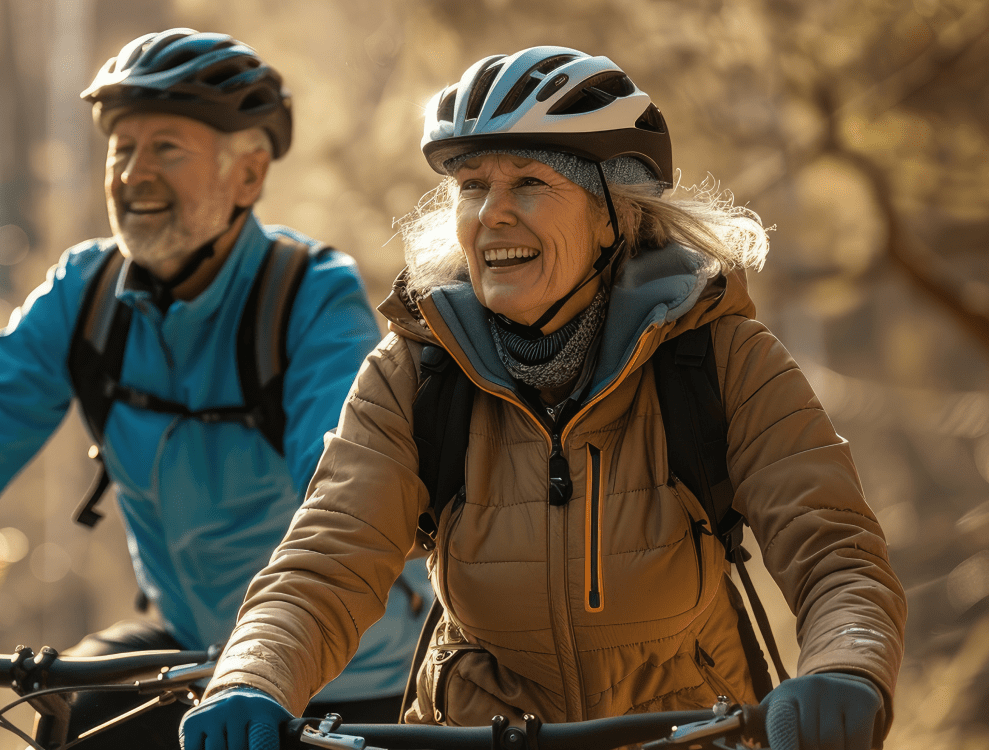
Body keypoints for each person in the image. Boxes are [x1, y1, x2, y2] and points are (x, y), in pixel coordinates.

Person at [179, 46, 906, 750]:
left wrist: (844, 666)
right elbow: (325, 564)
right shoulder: (417, 370)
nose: (492, 214)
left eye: (529, 182)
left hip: (684, 731)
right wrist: (252, 678)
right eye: (472, 187)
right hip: (475, 734)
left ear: (613, 214)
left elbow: (834, 552)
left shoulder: (718, 356)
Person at [0, 29, 430, 749]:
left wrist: (267, 658)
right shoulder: (86, 295)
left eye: (166, 148)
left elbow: (344, 490)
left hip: (347, 666)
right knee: (68, 721)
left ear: (248, 175)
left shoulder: (308, 296)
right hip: (190, 646)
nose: (133, 173)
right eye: (121, 148)